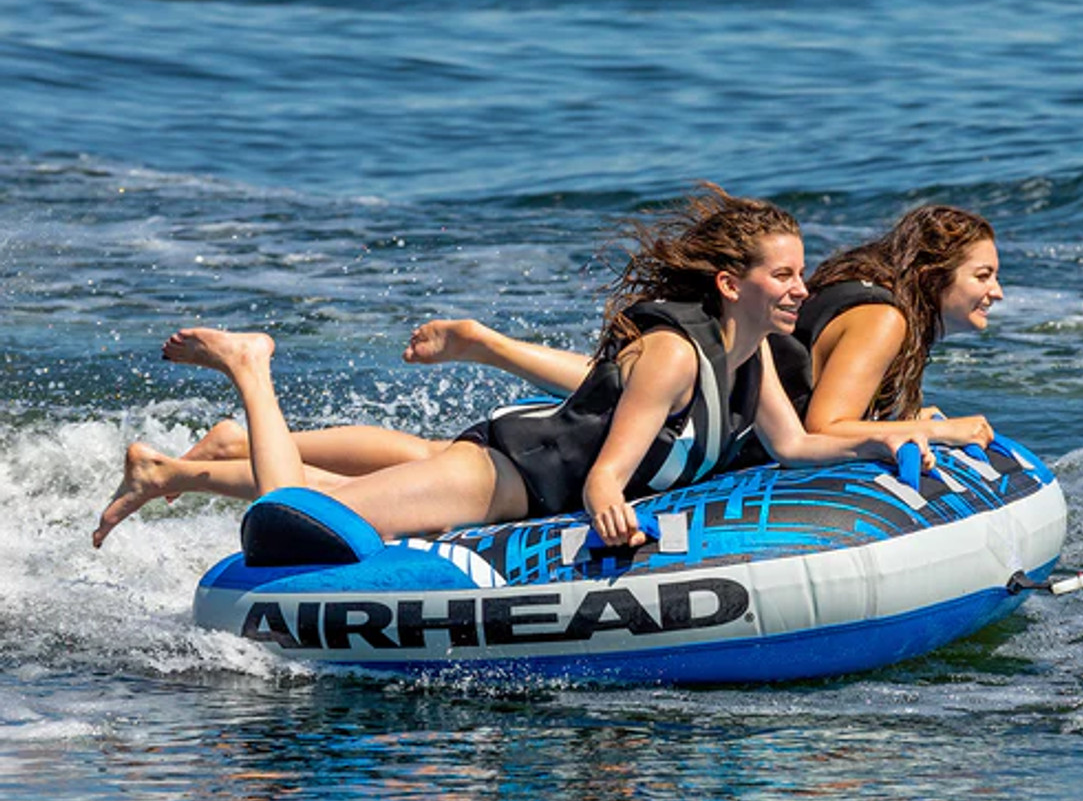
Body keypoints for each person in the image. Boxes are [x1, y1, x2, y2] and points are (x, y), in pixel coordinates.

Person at [93, 187, 933, 550]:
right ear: (729, 283)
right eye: (783, 276)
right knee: (300, 524)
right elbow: (606, 479)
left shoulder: (754, 358)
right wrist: (614, 521)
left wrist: (893, 440)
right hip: (504, 479)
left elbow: (796, 445)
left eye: (800, 274)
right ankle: (250, 367)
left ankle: (176, 470)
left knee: (339, 496)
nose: (801, 290)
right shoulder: (676, 355)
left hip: (533, 484)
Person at [161, 203, 1002, 488]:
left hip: (675, 426)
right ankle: (242, 402)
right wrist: (923, 429)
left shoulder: (785, 329)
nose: (996, 292)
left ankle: (206, 460)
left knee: (425, 461)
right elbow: (826, 423)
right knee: (344, 499)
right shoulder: (886, 318)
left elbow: (799, 431)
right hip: (638, 442)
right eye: (984, 274)